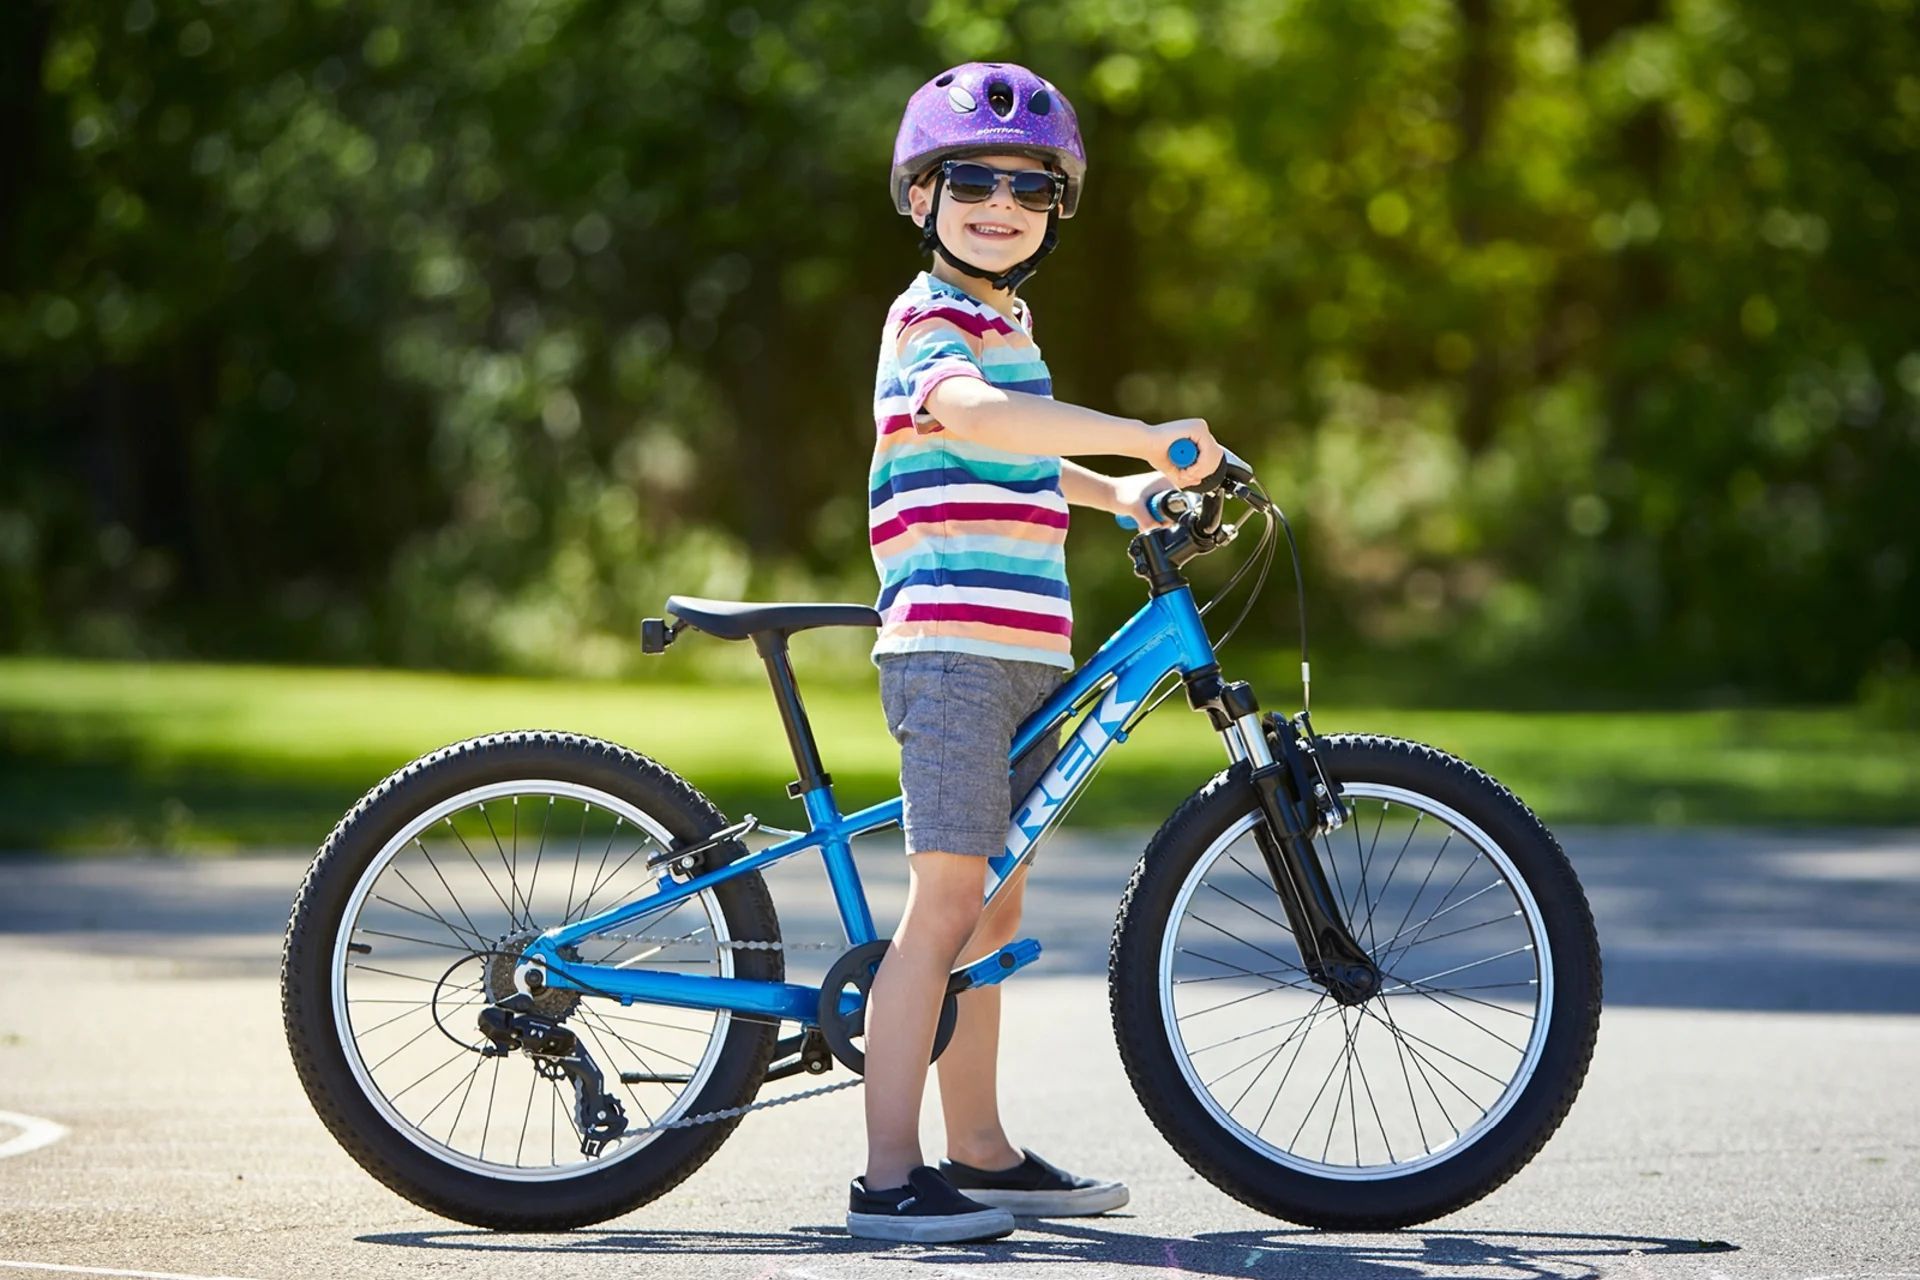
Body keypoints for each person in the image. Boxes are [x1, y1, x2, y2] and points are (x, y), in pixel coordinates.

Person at [850, 61, 1227, 1244]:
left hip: (1021, 648)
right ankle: (886, 1177)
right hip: (953, 645)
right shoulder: (932, 318)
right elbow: (972, 415)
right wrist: (1141, 437)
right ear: (923, 197)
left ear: (1056, 209)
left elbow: (1011, 448)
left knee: (995, 908)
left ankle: (981, 1150)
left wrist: (1116, 491)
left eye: (1030, 187)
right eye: (973, 181)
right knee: (947, 901)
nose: (1001, 205)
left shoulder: (1009, 324)